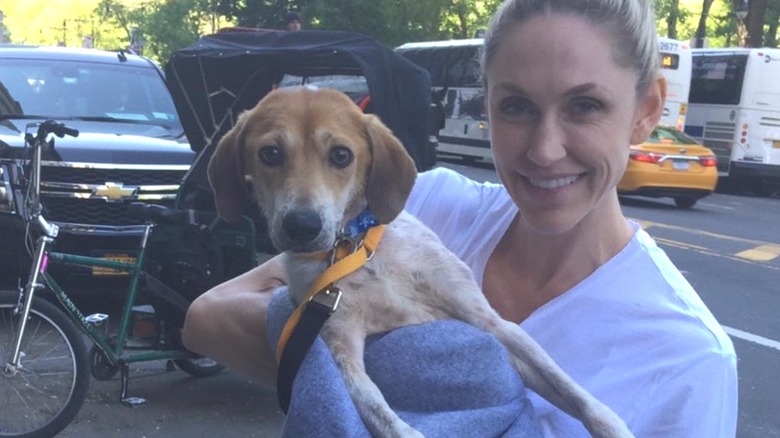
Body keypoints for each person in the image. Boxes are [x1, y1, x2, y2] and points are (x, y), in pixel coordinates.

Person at [182, 0, 738, 436]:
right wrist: (357, 350)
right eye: (515, 106)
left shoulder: (690, 357)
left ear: (646, 111)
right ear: (485, 105)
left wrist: (338, 352)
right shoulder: (421, 204)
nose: (545, 150)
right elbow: (207, 316)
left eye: (584, 106)